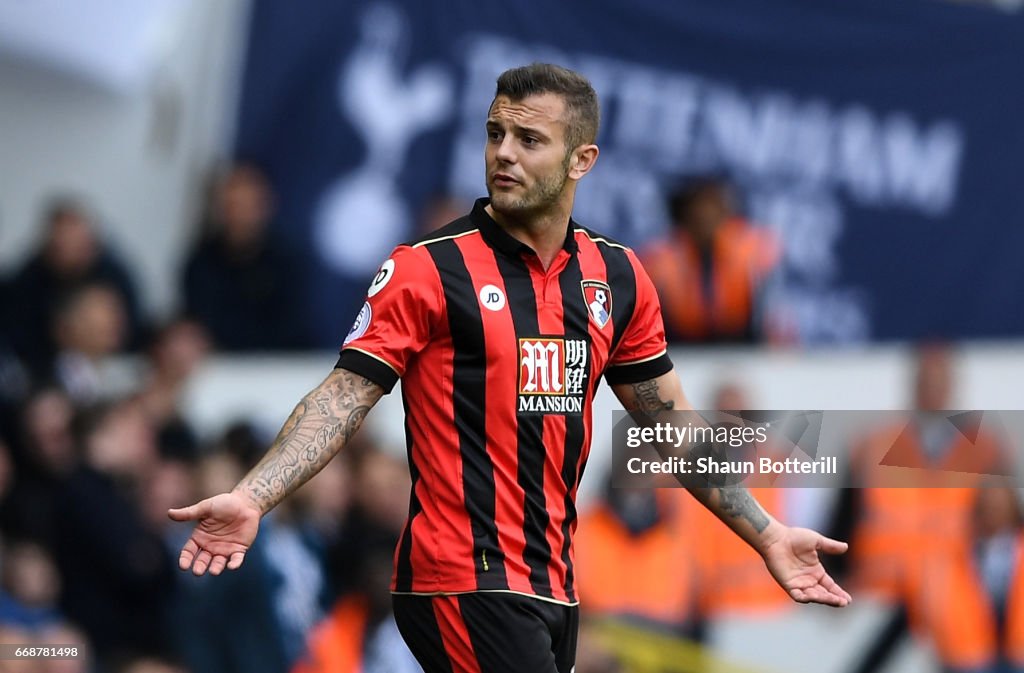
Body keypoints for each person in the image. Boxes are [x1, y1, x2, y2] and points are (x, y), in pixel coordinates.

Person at [169, 63, 850, 673]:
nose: (503, 153)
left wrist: (766, 532)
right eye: (495, 134)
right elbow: (343, 396)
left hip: (553, 580)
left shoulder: (617, 277)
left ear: (582, 159)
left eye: (529, 140)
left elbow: (673, 426)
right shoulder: (427, 268)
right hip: (461, 576)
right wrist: (254, 495)